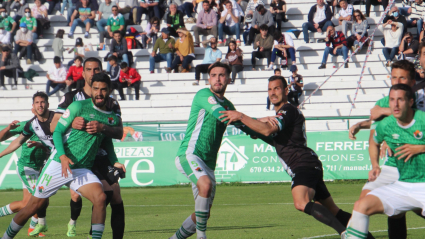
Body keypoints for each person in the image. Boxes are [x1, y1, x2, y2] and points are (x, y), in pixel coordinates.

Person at [219, 75, 374, 239]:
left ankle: (345, 234)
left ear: (286, 90)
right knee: (333, 210)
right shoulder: (282, 114)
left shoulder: (288, 109)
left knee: (301, 202)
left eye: (277, 88)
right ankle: (366, 237)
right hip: (309, 164)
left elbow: (266, 130)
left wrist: (241, 116)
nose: (272, 92)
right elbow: (271, 137)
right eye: (270, 89)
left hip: (303, 164)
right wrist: (247, 126)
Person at [348, 60, 425, 239]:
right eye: (394, 77)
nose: (397, 81)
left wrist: (419, 147)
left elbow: (405, 114)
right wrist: (375, 164)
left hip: (420, 172)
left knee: (403, 207)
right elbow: (376, 134)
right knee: (364, 202)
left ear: (413, 82)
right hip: (394, 166)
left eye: (402, 78)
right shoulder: (384, 102)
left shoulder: (419, 103)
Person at [49, 61, 125, 238]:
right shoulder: (70, 98)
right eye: (89, 70)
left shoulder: (111, 103)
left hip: (99, 155)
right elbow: (54, 126)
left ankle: (99, 232)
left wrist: (103, 129)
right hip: (76, 155)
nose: (92, 73)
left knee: (114, 194)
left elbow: (116, 132)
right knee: (75, 197)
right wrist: (72, 124)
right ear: (82, 74)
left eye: (96, 69)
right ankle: (73, 223)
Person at [169, 62, 244, 239]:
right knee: (205, 185)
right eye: (214, 75)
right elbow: (221, 115)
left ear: (229, 79)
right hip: (190, 154)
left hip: (208, 165)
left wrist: (264, 127)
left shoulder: (229, 105)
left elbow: (247, 127)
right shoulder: (204, 95)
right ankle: (201, 237)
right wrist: (243, 118)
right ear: (209, 78)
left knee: (203, 214)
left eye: (222, 75)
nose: (217, 79)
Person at [0, 92, 54, 238]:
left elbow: (53, 147)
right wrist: (7, 128)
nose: (39, 106)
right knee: (40, 198)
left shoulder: (53, 123)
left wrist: (42, 146)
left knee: (26, 204)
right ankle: (35, 227)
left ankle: (31, 228)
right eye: (37, 103)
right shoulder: (27, 125)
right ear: (33, 107)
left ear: (46, 105)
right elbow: (8, 139)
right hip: (27, 168)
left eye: (42, 103)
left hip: (40, 168)